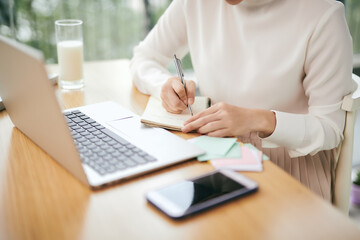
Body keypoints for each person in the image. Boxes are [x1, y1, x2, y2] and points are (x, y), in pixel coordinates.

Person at [130, 0, 356, 202]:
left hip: (289, 168)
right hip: (212, 151)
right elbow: (145, 57)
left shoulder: (323, 14)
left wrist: (258, 119)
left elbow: (329, 129)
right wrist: (164, 86)